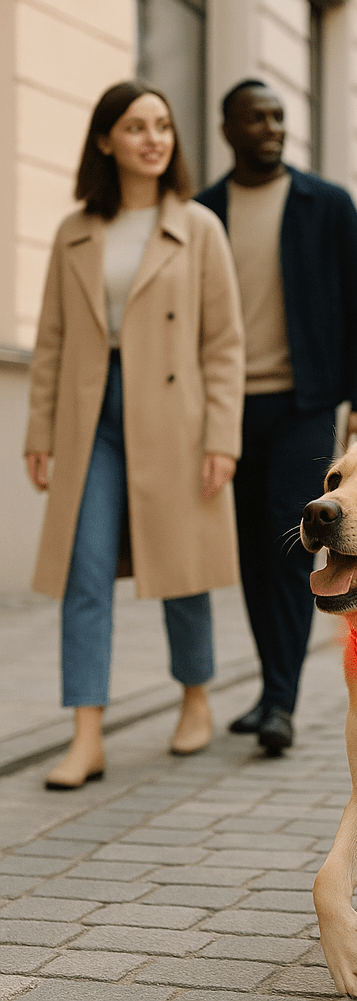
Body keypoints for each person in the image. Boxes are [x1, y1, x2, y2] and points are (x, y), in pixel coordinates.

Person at [24, 80, 245, 789]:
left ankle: (196, 697)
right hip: (92, 413)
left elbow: (224, 343)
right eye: (135, 127)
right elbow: (52, 337)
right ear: (104, 141)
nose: (153, 138)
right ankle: (86, 735)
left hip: (175, 413)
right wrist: (40, 429)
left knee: (180, 569)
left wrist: (223, 436)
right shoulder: (74, 230)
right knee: (84, 573)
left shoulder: (199, 226)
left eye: (162, 126)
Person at [196, 79, 357, 755]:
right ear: (228, 128)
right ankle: (271, 688)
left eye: (278, 117)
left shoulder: (326, 205)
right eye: (256, 118)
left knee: (289, 544)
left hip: (305, 403)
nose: (272, 127)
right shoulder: (203, 212)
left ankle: (281, 700)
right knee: (248, 551)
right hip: (227, 406)